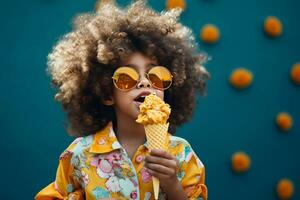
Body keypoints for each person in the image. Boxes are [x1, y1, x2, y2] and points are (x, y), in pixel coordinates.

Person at [35, 0, 210, 199]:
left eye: (156, 75)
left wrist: (172, 184)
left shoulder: (181, 153)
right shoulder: (79, 154)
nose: (145, 82)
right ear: (107, 93)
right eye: (127, 77)